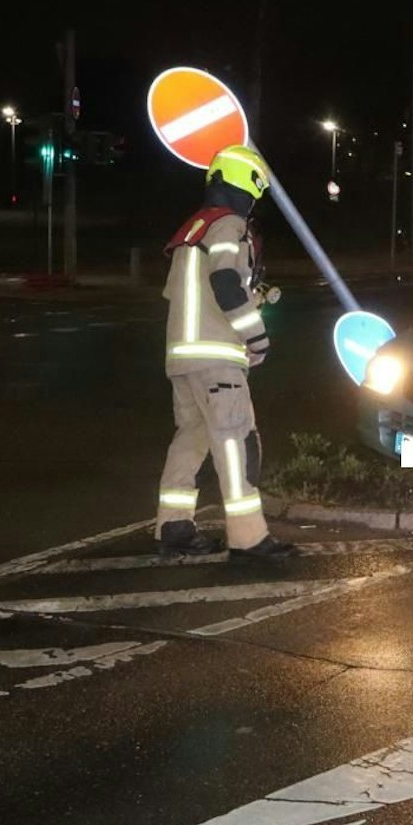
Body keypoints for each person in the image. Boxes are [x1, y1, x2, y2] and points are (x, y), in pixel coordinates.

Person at [154, 145, 294, 562]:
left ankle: (173, 526)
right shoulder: (229, 225)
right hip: (216, 361)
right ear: (246, 185)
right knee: (236, 444)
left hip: (182, 359)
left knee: (190, 441)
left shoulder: (192, 229)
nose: (255, 202)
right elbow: (226, 282)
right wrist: (256, 336)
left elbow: (181, 295)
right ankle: (249, 539)